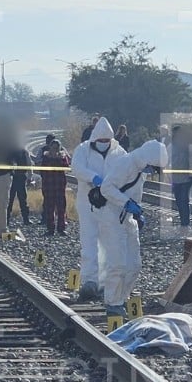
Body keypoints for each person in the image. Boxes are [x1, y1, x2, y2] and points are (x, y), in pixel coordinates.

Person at [94, 140, 169, 325]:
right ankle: (113, 303)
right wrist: (125, 203)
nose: (152, 171)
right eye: (153, 168)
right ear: (147, 161)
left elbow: (135, 196)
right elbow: (106, 188)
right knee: (117, 263)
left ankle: (123, 299)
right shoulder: (125, 164)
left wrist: (136, 213)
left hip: (127, 218)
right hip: (111, 217)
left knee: (134, 264)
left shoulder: (139, 170)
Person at [71, 117, 126, 301]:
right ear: (95, 138)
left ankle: (107, 283)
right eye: (100, 141)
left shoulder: (119, 152)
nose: (103, 144)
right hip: (87, 203)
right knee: (89, 242)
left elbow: (128, 172)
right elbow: (76, 168)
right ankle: (89, 281)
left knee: (109, 243)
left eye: (106, 141)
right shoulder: (83, 150)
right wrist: (93, 177)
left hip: (110, 205)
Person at [40, 139, 70, 236]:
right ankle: (50, 229)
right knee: (49, 208)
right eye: (53, 148)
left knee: (61, 208)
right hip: (48, 186)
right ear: (50, 148)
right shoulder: (46, 157)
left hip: (59, 185)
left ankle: (61, 228)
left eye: (57, 148)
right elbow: (42, 171)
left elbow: (66, 167)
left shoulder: (63, 157)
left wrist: (59, 158)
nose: (55, 150)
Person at [168, 125, 192, 228]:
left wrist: (191, 174)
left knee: (184, 201)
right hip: (175, 178)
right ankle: (183, 221)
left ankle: (185, 223)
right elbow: (167, 159)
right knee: (178, 201)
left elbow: (191, 159)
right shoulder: (171, 145)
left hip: (185, 178)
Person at [7, 144, 33, 227]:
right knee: (14, 199)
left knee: (16, 199)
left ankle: (8, 219)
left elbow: (29, 165)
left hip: (16, 177)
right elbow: (29, 164)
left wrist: (29, 176)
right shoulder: (23, 152)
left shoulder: (15, 152)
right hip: (15, 177)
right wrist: (29, 177)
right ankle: (25, 219)